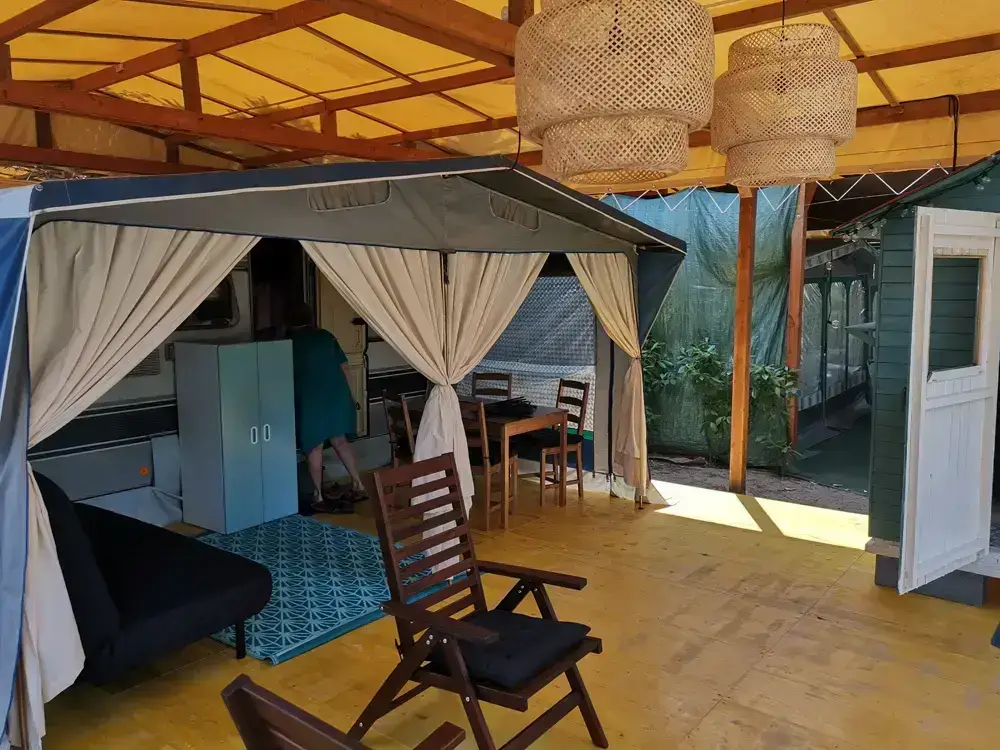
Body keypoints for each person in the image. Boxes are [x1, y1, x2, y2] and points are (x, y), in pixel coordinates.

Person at [287, 303, 365, 513]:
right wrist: (352, 397)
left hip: (311, 399)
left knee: (315, 446)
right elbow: (345, 367)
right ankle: (358, 484)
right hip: (337, 395)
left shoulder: (289, 342)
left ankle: (318, 495)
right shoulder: (326, 336)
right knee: (340, 440)